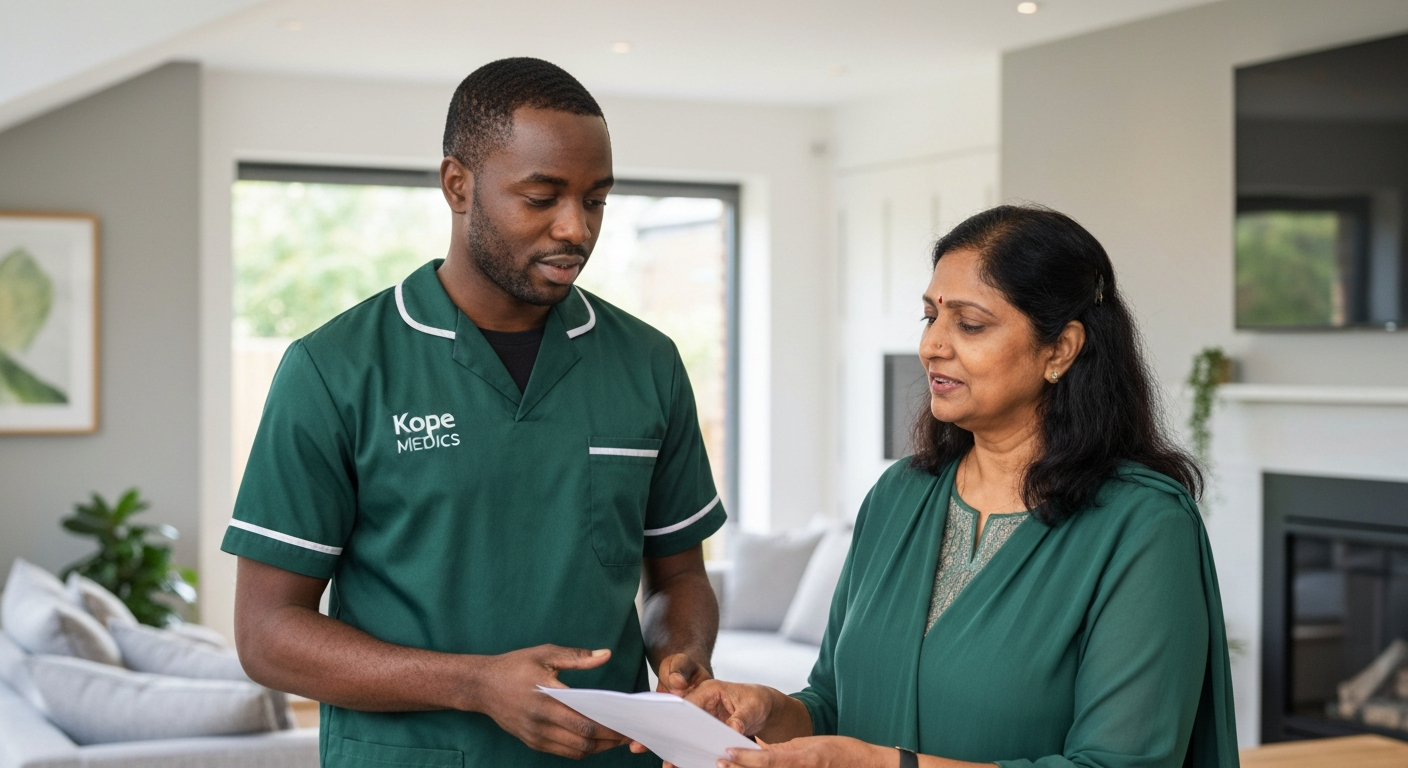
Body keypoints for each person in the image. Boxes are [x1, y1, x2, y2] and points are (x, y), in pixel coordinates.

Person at [222, 57, 725, 768]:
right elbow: (267, 634)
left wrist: (683, 660)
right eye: (541, 197)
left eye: (596, 201)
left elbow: (677, 578)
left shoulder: (648, 363)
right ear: (457, 185)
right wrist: (474, 684)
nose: (575, 229)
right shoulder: (333, 370)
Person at [671, 206, 1238, 768]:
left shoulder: (1142, 525)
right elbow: (835, 704)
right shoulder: (899, 496)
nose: (932, 346)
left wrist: (880, 765)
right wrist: (766, 711)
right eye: (930, 319)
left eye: (969, 324)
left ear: (1060, 350)